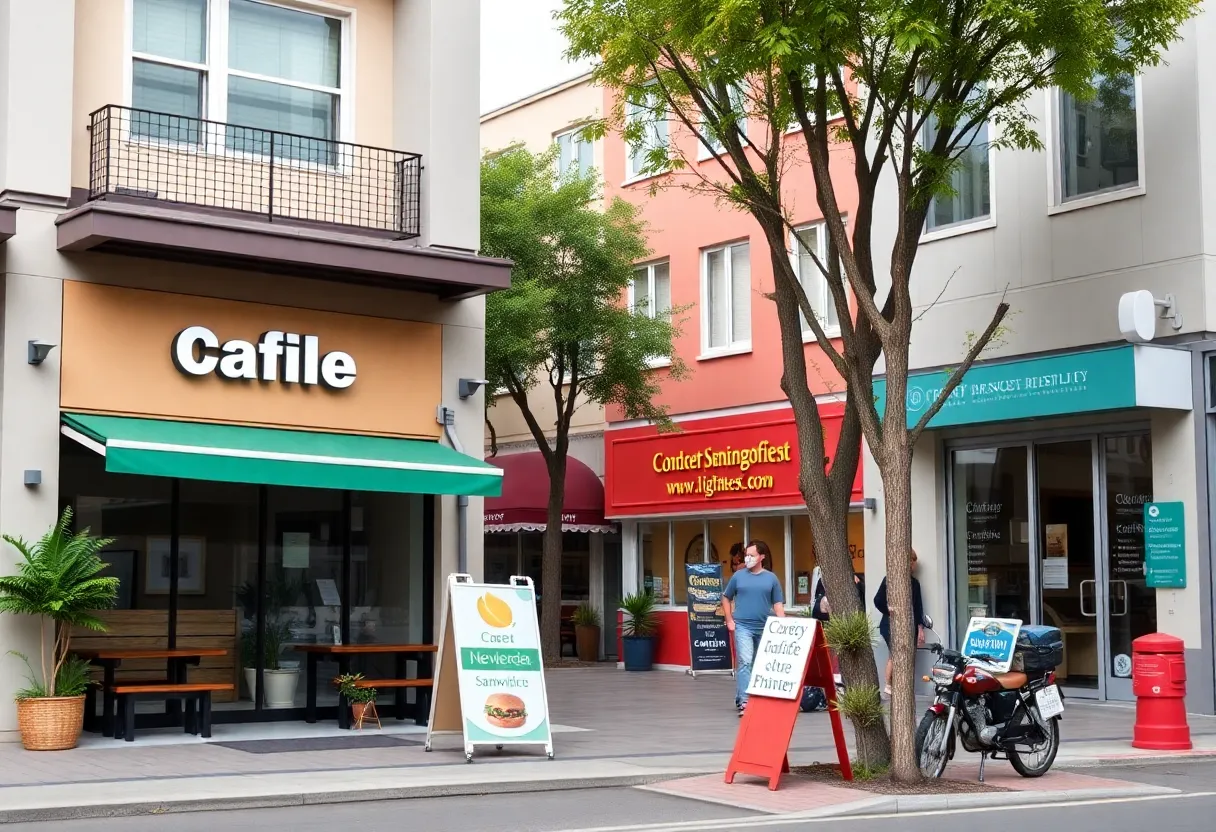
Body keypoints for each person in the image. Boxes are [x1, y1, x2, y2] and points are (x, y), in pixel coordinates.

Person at [722, 540, 785, 715]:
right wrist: (729, 620)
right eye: (746, 555)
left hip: (764, 627)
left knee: (757, 664)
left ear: (761, 557)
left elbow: (778, 605)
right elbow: (726, 597)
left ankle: (741, 696)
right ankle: (745, 701)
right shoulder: (738, 576)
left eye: (752, 555)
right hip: (742, 626)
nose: (747, 558)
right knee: (745, 661)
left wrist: (784, 626)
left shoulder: (771, 578)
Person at [873, 550, 925, 698]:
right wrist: (888, 610)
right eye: (912, 561)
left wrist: (920, 628)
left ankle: (899, 685)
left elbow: (918, 607)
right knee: (896, 654)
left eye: (914, 562)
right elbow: (878, 600)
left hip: (909, 626)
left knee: (905, 655)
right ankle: (888, 685)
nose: (913, 565)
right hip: (889, 625)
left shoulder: (914, 583)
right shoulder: (889, 579)